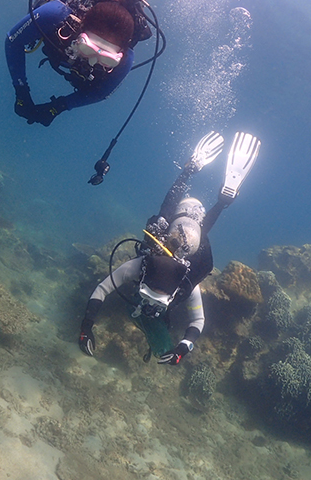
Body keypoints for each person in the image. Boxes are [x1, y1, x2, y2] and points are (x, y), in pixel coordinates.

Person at [78, 131, 262, 364]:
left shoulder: (141, 267)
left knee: (166, 224)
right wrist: (183, 348)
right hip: (189, 230)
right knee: (178, 229)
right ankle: (217, 196)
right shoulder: (185, 282)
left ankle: (204, 186)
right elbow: (197, 322)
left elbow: (102, 289)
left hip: (185, 226)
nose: (152, 303)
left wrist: (87, 327)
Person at [5, 0, 155, 127]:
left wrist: (59, 106)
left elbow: (100, 93)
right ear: (79, 27)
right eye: (87, 48)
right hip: (60, 6)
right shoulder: (56, 14)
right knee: (43, 2)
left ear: (120, 53)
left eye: (107, 59)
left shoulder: (126, 58)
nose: (92, 62)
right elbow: (14, 40)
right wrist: (21, 91)